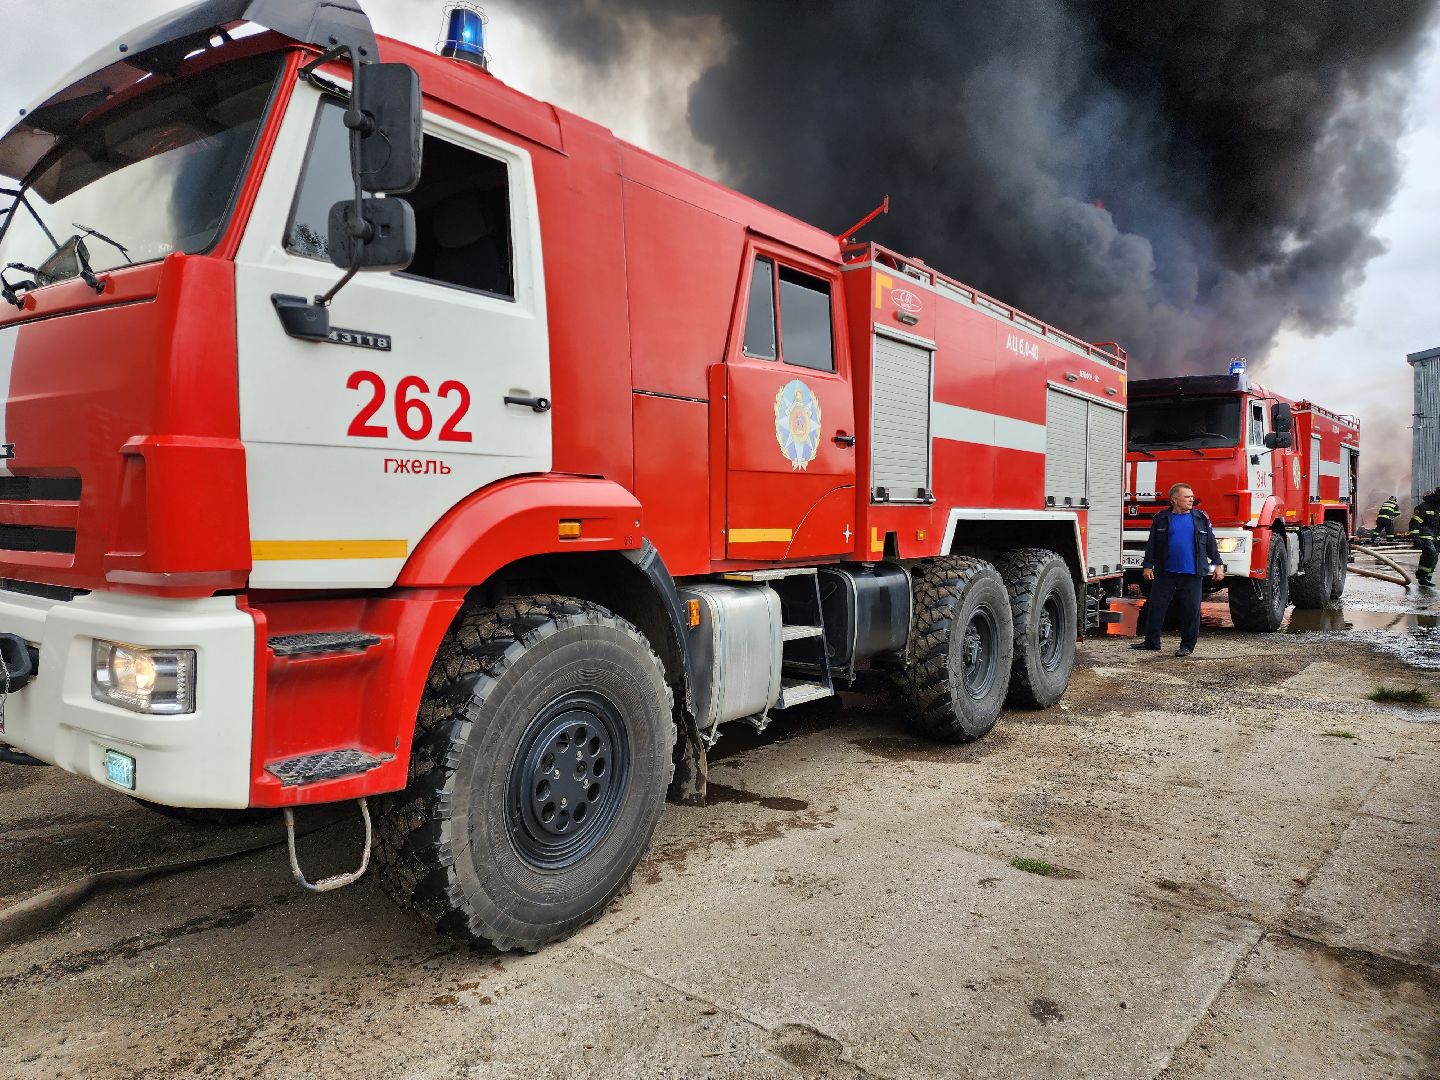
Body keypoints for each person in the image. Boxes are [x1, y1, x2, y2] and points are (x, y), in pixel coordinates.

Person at [1132, 482, 1224, 656]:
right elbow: (1152, 544)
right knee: (1156, 607)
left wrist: (1218, 565)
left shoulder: (1200, 518)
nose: (1191, 500)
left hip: (1192, 573)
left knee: (1190, 610)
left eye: (1191, 496)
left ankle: (1187, 646)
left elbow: (1211, 543)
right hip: (1166, 572)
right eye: (1187, 497)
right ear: (1174, 499)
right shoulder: (1161, 518)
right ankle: (1152, 642)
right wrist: (1147, 565)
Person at [1409, 489, 1439, 587]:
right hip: (1425, 534)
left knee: (1434, 557)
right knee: (1431, 552)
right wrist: (1415, 537)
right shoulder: (1423, 507)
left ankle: (1426, 578)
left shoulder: (1438, 508)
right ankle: (1422, 576)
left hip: (1436, 536)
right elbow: (1414, 523)